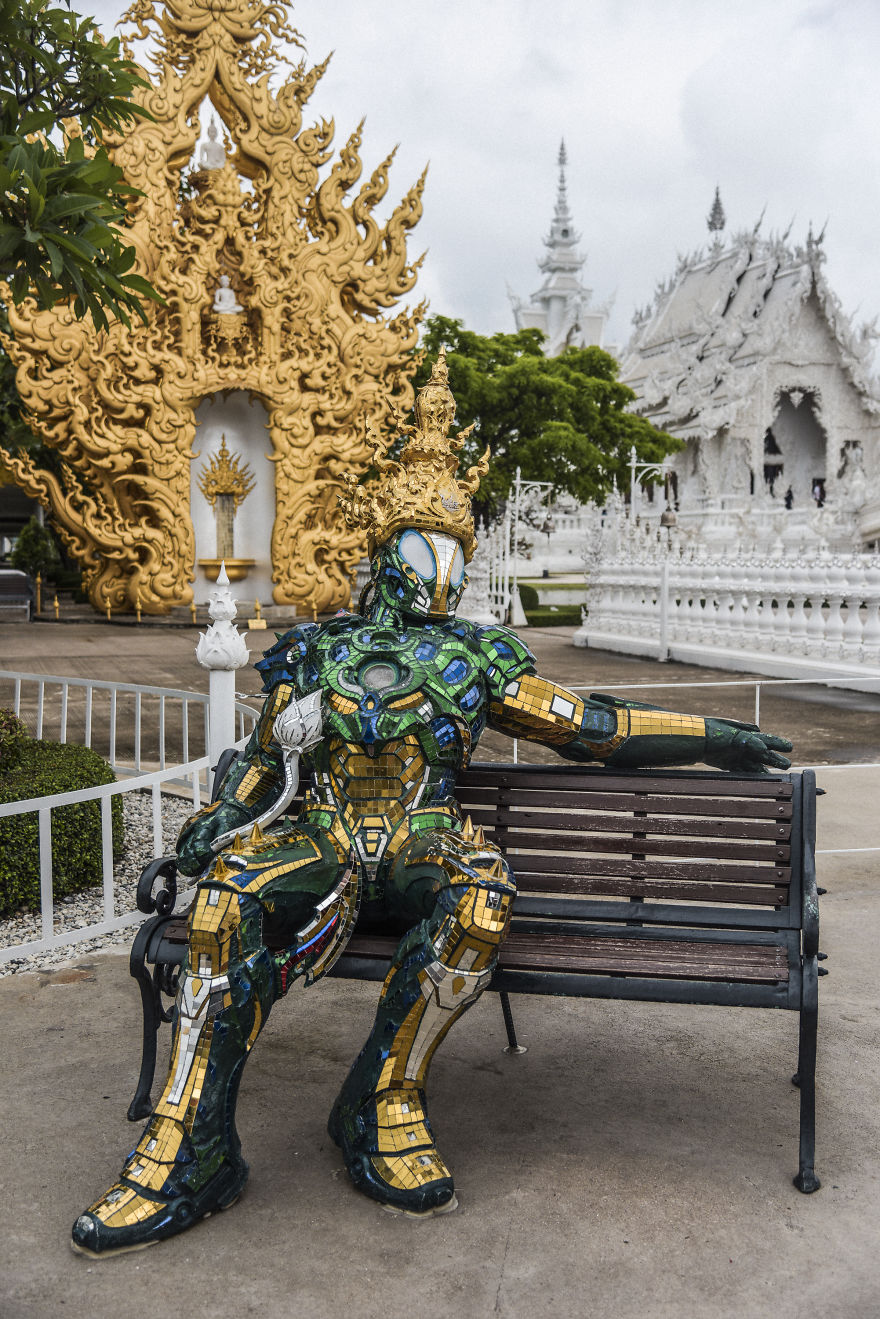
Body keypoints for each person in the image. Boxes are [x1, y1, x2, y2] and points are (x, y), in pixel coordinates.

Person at [71, 352, 792, 1256]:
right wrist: (212, 826)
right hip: (320, 833)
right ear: (386, 554)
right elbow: (263, 764)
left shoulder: (475, 657)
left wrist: (713, 738)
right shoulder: (315, 650)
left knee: (480, 896)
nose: (439, 568)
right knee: (219, 905)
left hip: (423, 834)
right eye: (422, 546)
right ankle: (190, 1146)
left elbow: (592, 726)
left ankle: (383, 1099)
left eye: (453, 548)